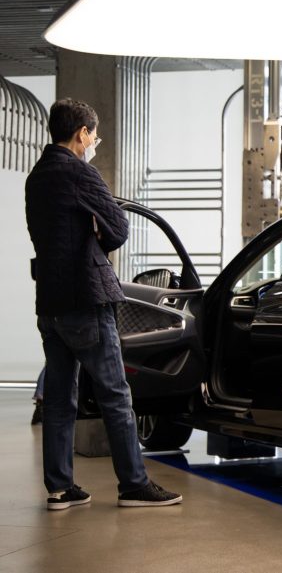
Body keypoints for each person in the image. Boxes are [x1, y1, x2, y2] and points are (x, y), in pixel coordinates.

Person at [25, 98, 182, 510]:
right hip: (87, 301)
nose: (94, 141)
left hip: (50, 303)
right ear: (81, 134)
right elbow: (118, 228)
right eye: (93, 135)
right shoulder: (80, 171)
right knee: (115, 394)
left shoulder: (37, 176)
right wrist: (96, 231)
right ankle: (133, 484)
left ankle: (60, 487)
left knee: (60, 398)